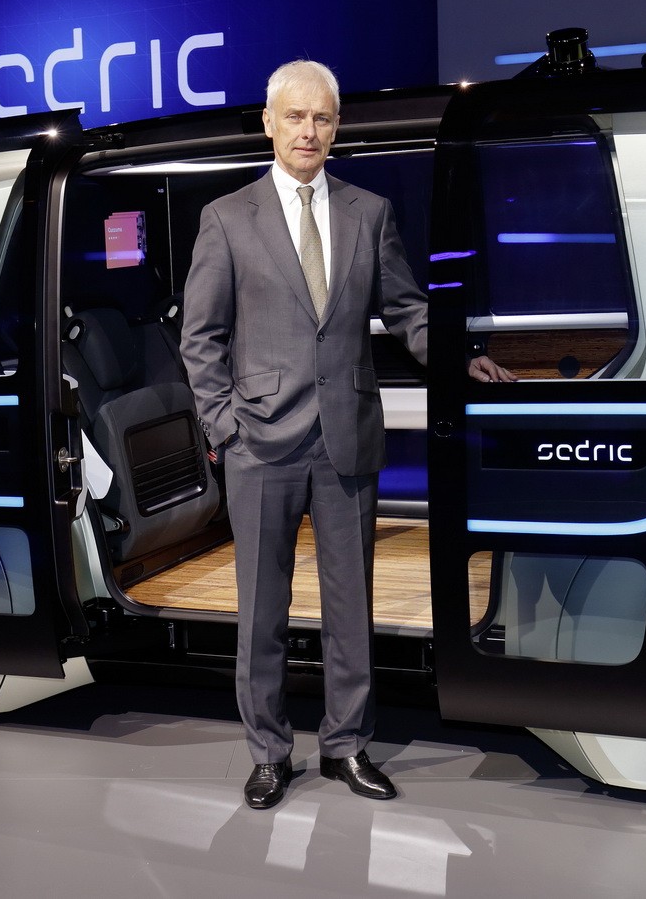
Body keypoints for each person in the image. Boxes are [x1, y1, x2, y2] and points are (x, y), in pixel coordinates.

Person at [180, 59, 509, 810]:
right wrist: (225, 427)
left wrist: (459, 356)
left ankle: (346, 745)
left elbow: (408, 310)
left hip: (347, 437)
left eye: (322, 118)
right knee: (261, 610)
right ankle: (269, 752)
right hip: (259, 441)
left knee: (349, 605)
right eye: (296, 117)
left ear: (337, 127)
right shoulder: (227, 218)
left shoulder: (370, 212)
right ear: (269, 123)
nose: (309, 130)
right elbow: (201, 338)